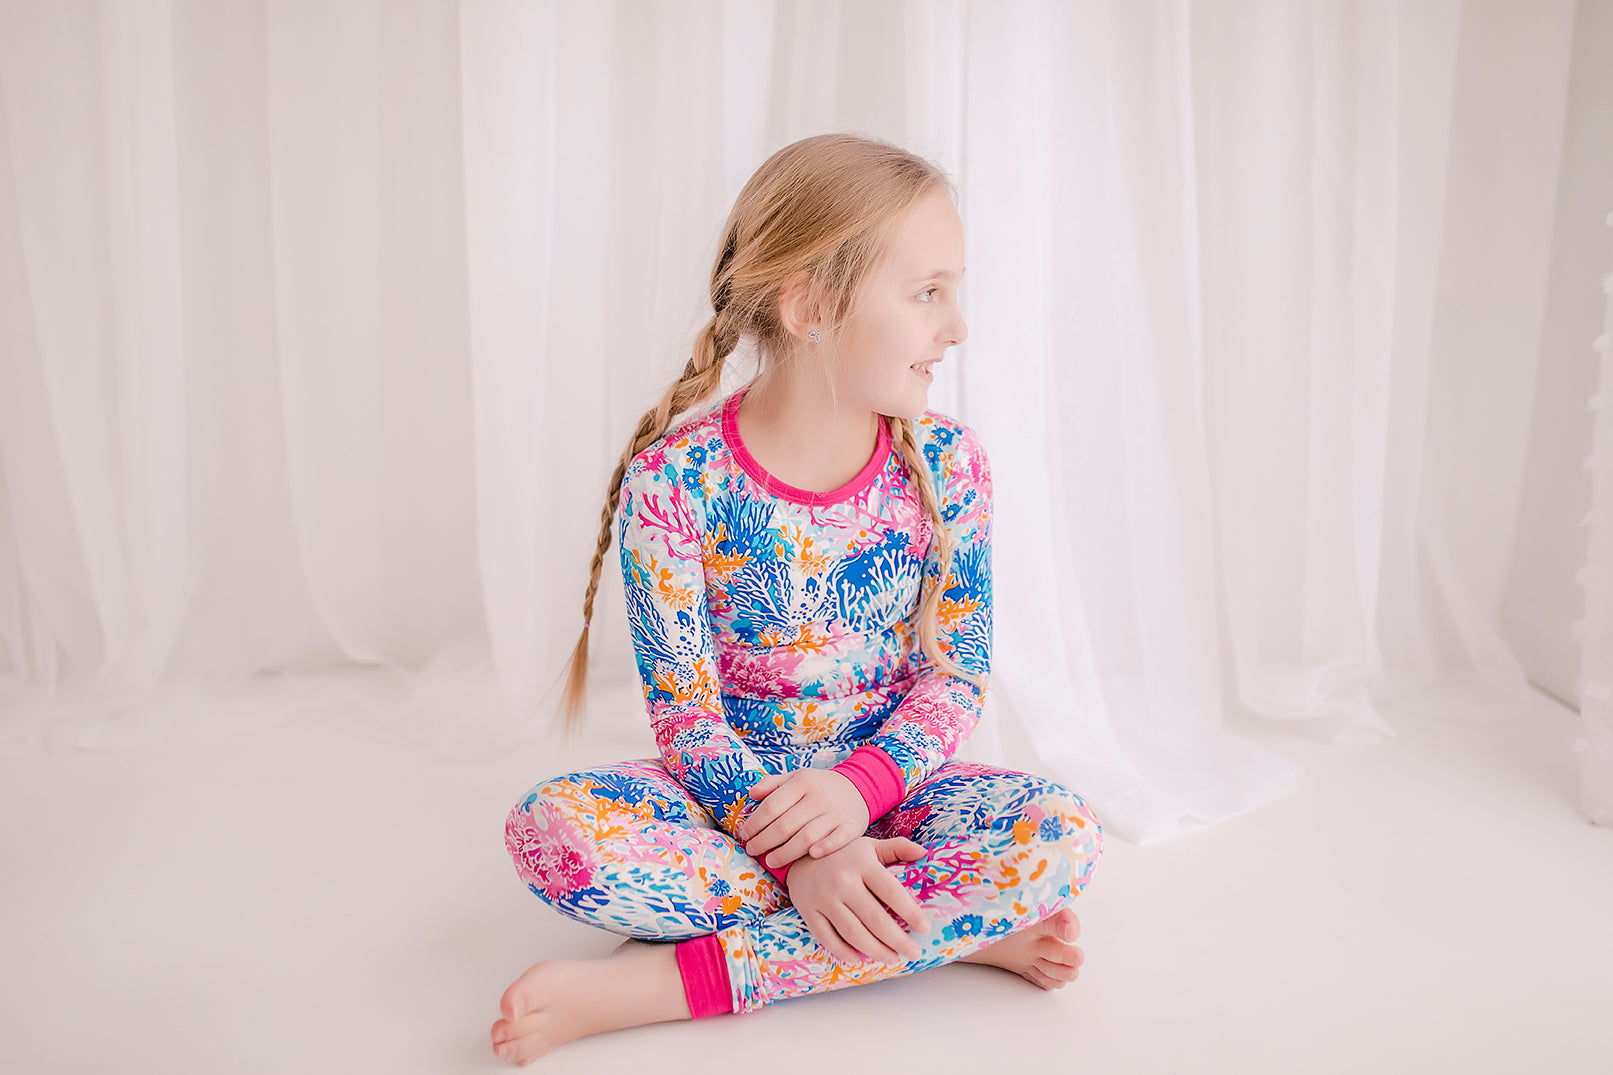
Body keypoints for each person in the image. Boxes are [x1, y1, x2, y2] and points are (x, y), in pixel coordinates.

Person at [491, 132, 1103, 1066]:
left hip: (895, 797)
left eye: (954, 289)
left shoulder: (950, 464)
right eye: (927, 291)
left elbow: (957, 675)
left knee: (1061, 836)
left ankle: (669, 982)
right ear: (812, 304)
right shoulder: (676, 484)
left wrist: (856, 799)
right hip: (732, 806)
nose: (957, 326)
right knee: (553, 831)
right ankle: (945, 928)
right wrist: (805, 851)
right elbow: (687, 721)